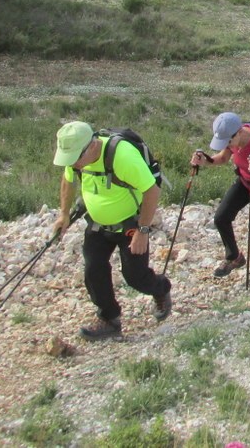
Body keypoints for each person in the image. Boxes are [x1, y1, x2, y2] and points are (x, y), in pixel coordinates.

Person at [51, 121, 172, 341]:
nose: (74, 165)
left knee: (135, 277)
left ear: (92, 146)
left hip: (130, 225)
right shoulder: (77, 158)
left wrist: (142, 231)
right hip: (97, 224)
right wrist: (64, 214)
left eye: (76, 160)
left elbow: (151, 191)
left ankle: (161, 288)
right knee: (93, 269)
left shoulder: (121, 155)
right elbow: (68, 181)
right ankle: (109, 319)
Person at [191, 112, 250, 285]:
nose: (226, 145)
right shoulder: (232, 139)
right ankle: (234, 257)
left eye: (228, 141)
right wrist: (205, 161)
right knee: (221, 218)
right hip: (245, 181)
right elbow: (223, 158)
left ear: (239, 132)